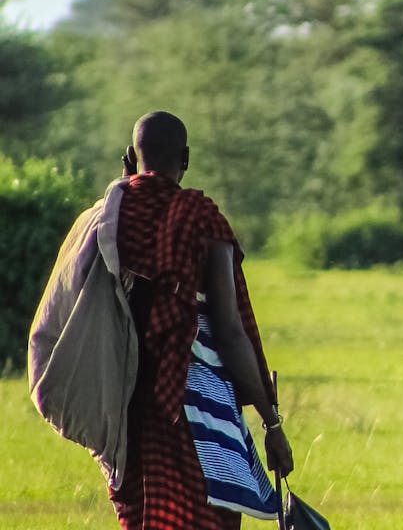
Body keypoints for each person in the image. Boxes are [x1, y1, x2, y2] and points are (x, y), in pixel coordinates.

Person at [109, 110, 293, 529]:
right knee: (214, 520)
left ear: (132, 157)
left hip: (128, 405)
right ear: (186, 158)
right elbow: (229, 331)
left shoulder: (111, 218)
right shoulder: (200, 217)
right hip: (193, 407)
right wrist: (271, 421)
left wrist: (125, 180)